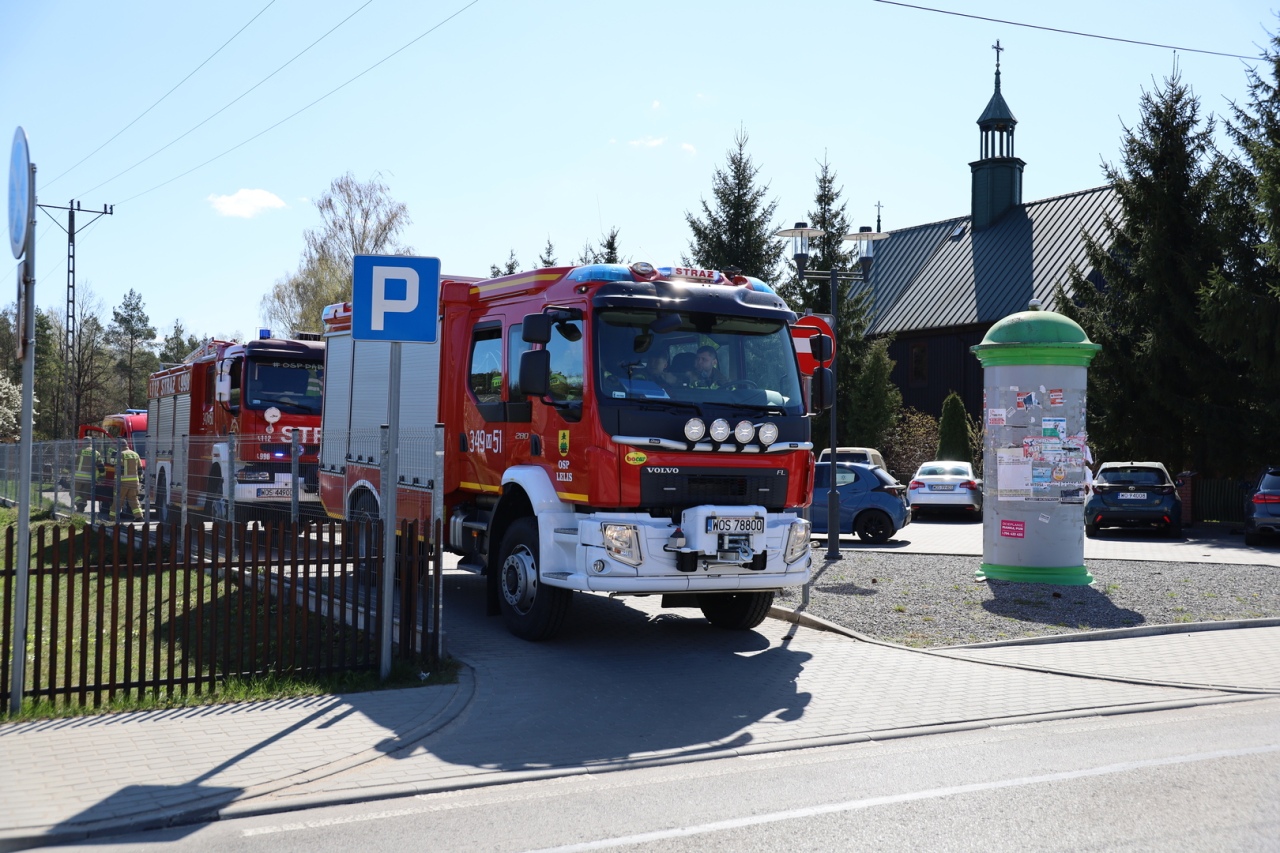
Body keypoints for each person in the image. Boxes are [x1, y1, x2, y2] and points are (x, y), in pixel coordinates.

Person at [113, 445, 144, 521]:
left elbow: (119, 469)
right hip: (134, 482)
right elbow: (140, 469)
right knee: (133, 499)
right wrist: (139, 479)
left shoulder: (120, 454)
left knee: (118, 499)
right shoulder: (135, 454)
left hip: (123, 482)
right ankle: (139, 516)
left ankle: (113, 517)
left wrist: (117, 481)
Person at [73, 443, 105, 513]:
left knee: (73, 492)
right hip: (89, 478)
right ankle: (80, 509)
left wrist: (65, 472)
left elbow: (71, 461)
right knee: (84, 494)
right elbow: (101, 466)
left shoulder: (79, 451)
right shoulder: (96, 453)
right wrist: (102, 475)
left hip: (78, 477)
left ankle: (79, 503)